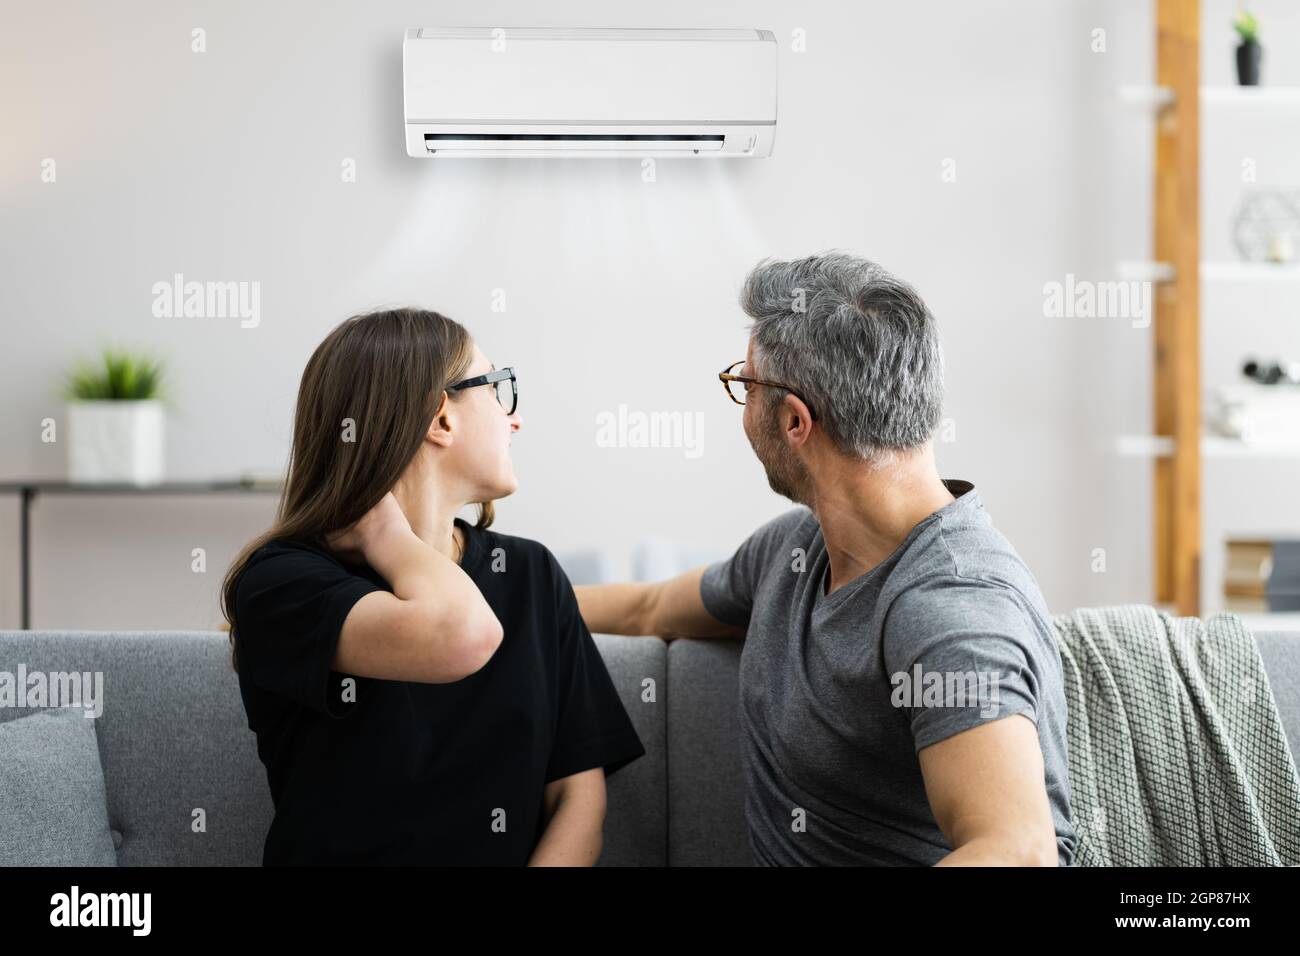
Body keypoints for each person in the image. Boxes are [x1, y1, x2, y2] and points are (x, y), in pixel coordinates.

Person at [576, 252, 1076, 866]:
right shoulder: (794, 551)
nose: (741, 404)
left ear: (792, 420)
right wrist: (500, 592)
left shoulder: (949, 607)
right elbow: (651, 607)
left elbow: (1019, 851)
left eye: (745, 385)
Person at [221, 307, 644, 865]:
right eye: (498, 389)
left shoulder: (531, 574)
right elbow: (460, 636)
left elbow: (577, 797)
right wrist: (387, 537)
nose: (514, 420)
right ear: (439, 417)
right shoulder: (282, 584)